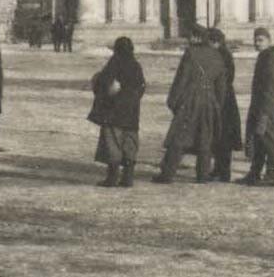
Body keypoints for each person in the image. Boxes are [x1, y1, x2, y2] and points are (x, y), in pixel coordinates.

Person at [153, 27, 227, 184]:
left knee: (179, 137)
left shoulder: (191, 54)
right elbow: (221, 86)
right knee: (205, 138)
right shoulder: (218, 56)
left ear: (198, 38)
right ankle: (202, 175)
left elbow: (181, 80)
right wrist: (217, 105)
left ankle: (167, 174)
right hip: (210, 101)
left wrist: (173, 101)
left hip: (190, 100)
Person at [88, 36, 146, 188]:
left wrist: (97, 79)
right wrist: (133, 99)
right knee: (130, 142)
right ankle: (128, 178)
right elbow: (142, 86)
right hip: (132, 111)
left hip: (114, 110)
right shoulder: (136, 65)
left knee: (113, 142)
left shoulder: (115, 62)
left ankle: (112, 178)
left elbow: (103, 83)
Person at [242, 27, 274, 187]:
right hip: (260, 106)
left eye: (261, 40)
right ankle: (254, 173)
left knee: (268, 140)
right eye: (255, 40)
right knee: (259, 139)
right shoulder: (264, 57)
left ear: (269, 41)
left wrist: (265, 110)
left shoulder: (271, 59)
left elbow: (272, 86)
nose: (257, 43)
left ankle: (271, 175)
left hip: (267, 107)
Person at [208, 28, 243, 182]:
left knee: (223, 137)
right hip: (226, 98)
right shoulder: (223, 53)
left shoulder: (221, 55)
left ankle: (223, 171)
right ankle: (219, 169)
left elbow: (225, 77)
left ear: (215, 41)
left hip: (224, 100)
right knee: (220, 137)